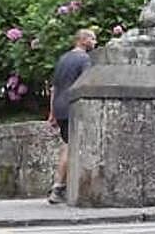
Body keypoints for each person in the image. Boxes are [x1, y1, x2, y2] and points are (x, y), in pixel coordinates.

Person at [46, 28, 96, 204]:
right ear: (82, 40)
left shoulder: (63, 58)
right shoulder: (84, 59)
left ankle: (62, 186)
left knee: (68, 145)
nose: (95, 42)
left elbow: (54, 87)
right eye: (92, 39)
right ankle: (58, 187)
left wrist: (52, 113)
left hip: (59, 107)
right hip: (72, 106)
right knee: (69, 147)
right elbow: (85, 84)